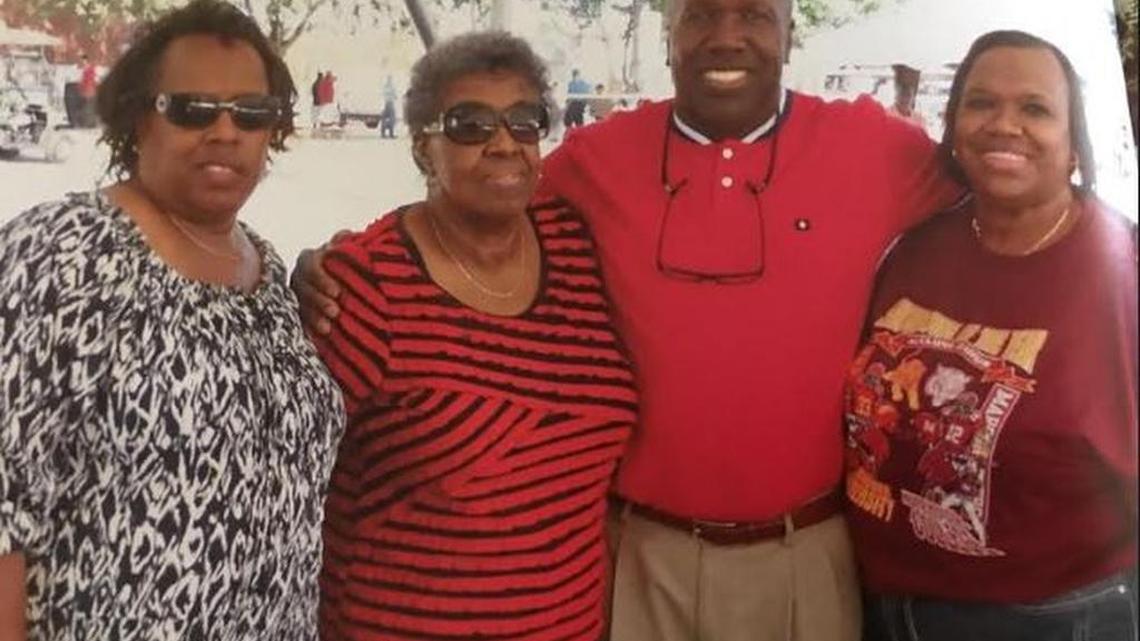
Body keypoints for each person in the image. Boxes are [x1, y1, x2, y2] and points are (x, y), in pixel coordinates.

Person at [293, 0, 963, 639]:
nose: (726, 36)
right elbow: (475, 206)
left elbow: (1008, 201)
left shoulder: (879, 147)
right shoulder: (594, 161)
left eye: (756, 14)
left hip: (804, 553)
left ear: (790, 34)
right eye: (698, 15)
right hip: (637, 559)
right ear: (670, 35)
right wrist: (335, 260)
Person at [0, 1, 346, 639]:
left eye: (252, 113)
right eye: (192, 110)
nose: (225, 132)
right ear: (137, 117)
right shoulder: (59, 255)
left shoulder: (265, 269)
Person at [313, 32, 636, 641]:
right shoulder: (367, 284)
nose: (503, 143)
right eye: (468, 124)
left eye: (525, 121)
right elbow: (297, 479)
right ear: (421, 148)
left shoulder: (576, 247)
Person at [846, 30, 1137, 641]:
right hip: (882, 602)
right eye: (981, 103)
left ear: (1075, 143)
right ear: (952, 127)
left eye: (1035, 108)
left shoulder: (1122, 265)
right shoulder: (912, 247)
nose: (1004, 124)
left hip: (1053, 617)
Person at [888, 63, 927, 132]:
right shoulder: (887, 115)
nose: (905, 99)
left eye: (908, 95)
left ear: (913, 97)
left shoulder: (919, 120)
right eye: (902, 94)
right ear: (896, 95)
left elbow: (924, 140)